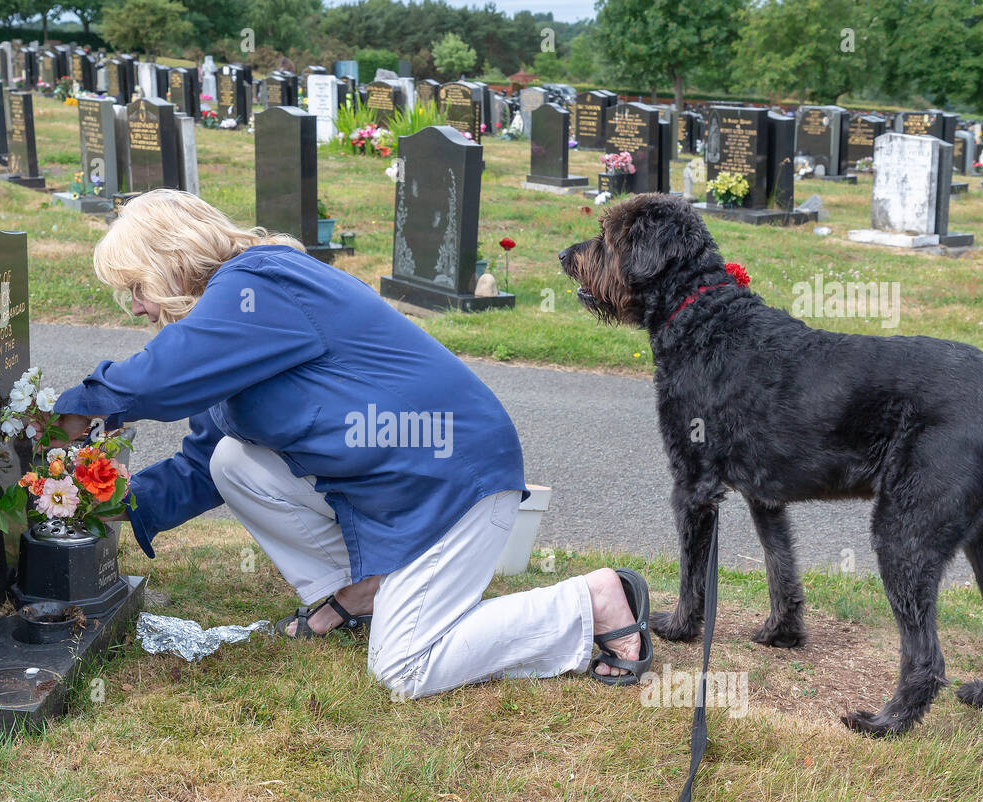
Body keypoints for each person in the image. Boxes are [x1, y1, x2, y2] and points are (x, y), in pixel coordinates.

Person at [53, 189, 652, 698]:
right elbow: (203, 464)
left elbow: (157, 378)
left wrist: (71, 413)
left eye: (136, 285)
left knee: (404, 668)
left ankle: (592, 601)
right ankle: (361, 592)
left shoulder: (258, 287)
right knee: (230, 459)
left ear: (170, 259)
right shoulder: (236, 313)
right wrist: (101, 507)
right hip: (399, 485)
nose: (134, 306)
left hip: (451, 481)